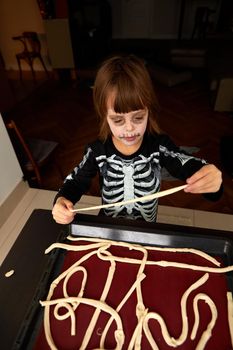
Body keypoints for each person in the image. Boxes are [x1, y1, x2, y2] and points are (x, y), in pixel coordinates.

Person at [52, 54, 222, 224]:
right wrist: (61, 202)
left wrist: (211, 180)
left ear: (149, 110)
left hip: (147, 230)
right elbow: (75, 183)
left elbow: (189, 166)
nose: (129, 128)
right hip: (108, 227)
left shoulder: (159, 146)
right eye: (118, 120)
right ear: (104, 116)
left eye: (138, 117)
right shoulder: (97, 151)